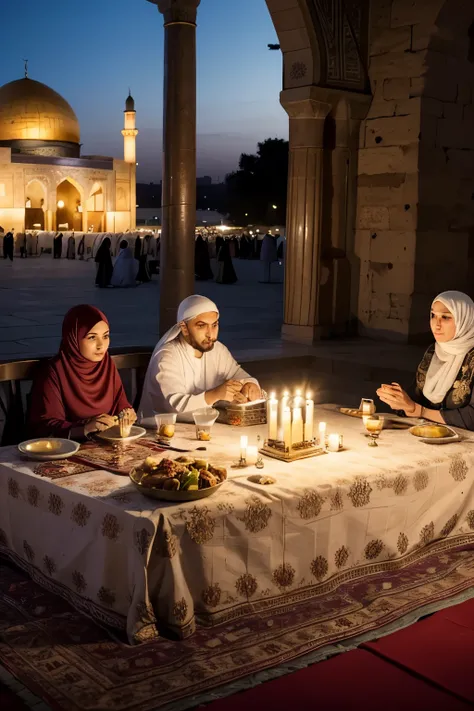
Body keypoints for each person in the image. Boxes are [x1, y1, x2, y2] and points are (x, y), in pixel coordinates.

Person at [138, 295, 262, 422]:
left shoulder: (218, 350)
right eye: (202, 326)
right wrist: (215, 394)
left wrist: (249, 384)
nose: (210, 334)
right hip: (160, 432)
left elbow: (237, 374)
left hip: (205, 427)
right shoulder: (167, 356)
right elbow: (173, 406)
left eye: (214, 325)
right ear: (184, 328)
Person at [29, 305, 136, 439]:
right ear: (73, 338)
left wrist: (126, 414)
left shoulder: (106, 364)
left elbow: (121, 405)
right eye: (92, 337)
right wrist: (85, 429)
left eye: (105, 336)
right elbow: (45, 426)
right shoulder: (55, 370)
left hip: (107, 447)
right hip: (67, 450)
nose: (101, 345)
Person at [377, 291, 474, 430]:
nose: (436, 324)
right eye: (433, 315)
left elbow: (470, 418)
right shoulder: (434, 351)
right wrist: (399, 399)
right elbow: (415, 398)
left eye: (445, 317)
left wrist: (419, 411)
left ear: (465, 320)